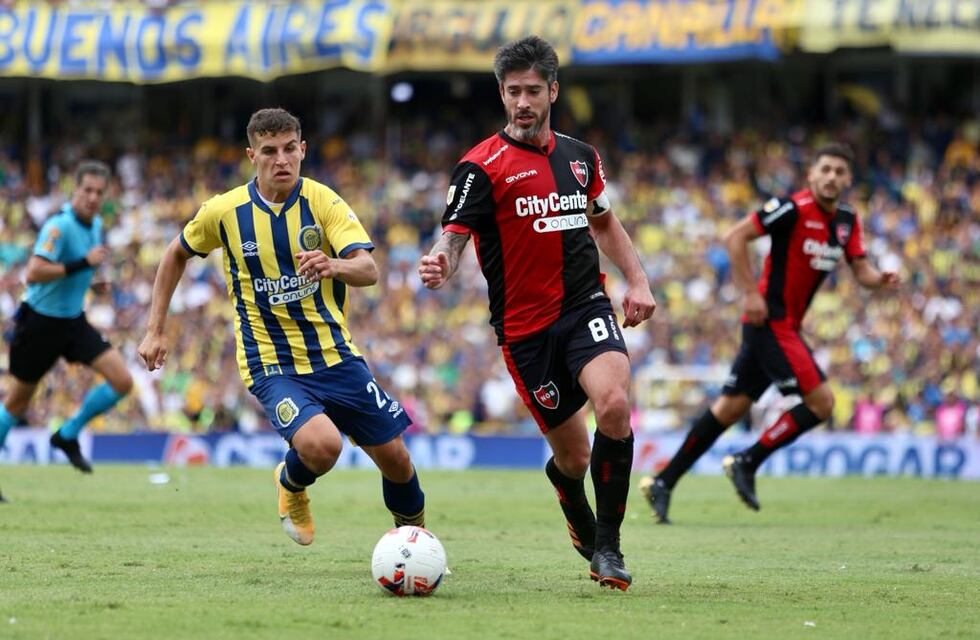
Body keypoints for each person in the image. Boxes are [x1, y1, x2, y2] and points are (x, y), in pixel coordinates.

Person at [418, 36, 655, 590]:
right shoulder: (479, 168)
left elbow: (603, 221)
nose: (523, 102)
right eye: (512, 92)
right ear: (501, 94)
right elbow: (454, 237)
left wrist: (637, 280)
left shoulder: (581, 157)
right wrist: (440, 262)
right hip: (525, 332)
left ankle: (610, 549)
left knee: (615, 405)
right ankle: (570, 494)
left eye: (532, 91)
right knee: (573, 457)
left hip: (584, 306)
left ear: (552, 90)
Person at [137, 108, 425, 546]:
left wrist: (333, 264)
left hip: (335, 354)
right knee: (324, 447)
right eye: (269, 151)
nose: (281, 160)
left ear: (303, 150)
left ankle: (415, 545)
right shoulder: (225, 212)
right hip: (271, 362)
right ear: (251, 155)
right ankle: (291, 484)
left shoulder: (324, 201)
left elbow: (369, 270)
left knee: (397, 460)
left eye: (290, 149)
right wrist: (155, 328)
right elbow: (175, 254)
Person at [639, 143, 900, 523]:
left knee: (728, 410)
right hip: (769, 322)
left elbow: (861, 271)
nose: (831, 177)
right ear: (811, 174)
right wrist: (749, 293)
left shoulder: (847, 221)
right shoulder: (790, 208)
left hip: (785, 326)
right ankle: (748, 460)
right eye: (824, 168)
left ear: (848, 179)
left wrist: (881, 280)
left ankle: (663, 482)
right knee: (822, 403)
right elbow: (735, 237)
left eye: (839, 171)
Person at [0, 161, 133, 485]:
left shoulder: (97, 224)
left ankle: (67, 434)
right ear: (75, 190)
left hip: (73, 323)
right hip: (39, 325)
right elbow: (34, 272)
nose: (92, 197)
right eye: (86, 190)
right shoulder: (58, 227)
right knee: (18, 401)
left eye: (99, 192)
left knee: (123, 381)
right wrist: (82, 265)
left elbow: (72, 273)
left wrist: (91, 284)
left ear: (105, 195)